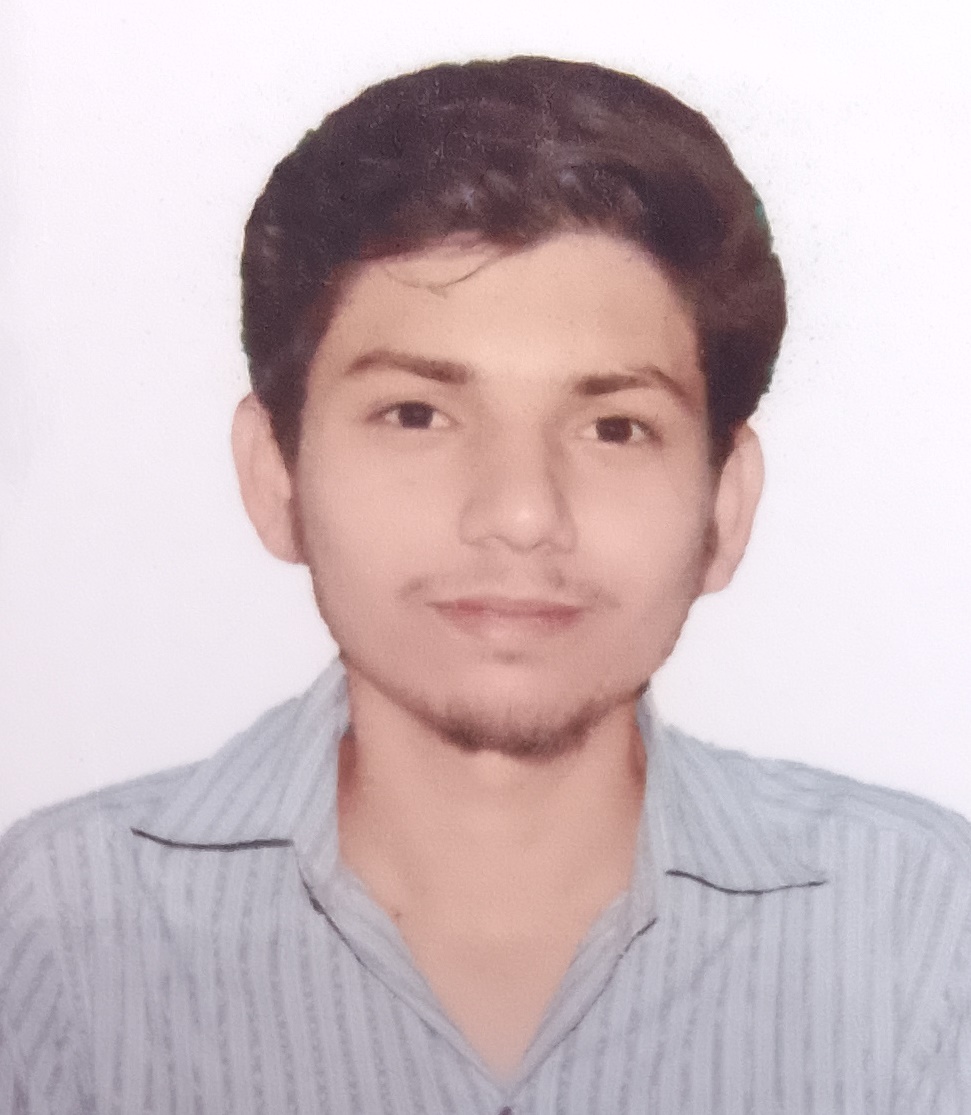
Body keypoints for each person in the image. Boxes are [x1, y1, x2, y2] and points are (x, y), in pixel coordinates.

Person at [1, 55, 968, 1115]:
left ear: (724, 506)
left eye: (614, 427)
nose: (519, 511)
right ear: (275, 476)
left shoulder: (920, 927)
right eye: (416, 414)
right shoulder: (49, 933)